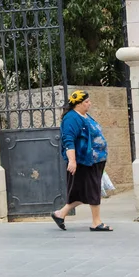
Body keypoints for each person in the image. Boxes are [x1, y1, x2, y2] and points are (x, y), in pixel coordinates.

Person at [51, 90, 113, 232]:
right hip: (84, 161)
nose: (89, 103)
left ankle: (60, 214)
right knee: (93, 189)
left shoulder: (84, 115)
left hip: (95, 160)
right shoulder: (71, 118)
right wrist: (72, 160)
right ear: (77, 104)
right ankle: (96, 222)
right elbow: (68, 141)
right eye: (86, 102)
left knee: (83, 191)